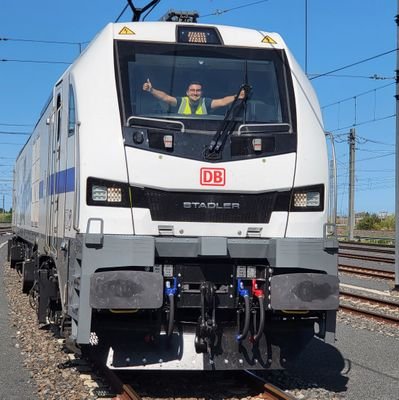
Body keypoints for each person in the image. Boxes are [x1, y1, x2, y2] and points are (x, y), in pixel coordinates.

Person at [142, 79, 245, 115]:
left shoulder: (206, 102)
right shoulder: (180, 101)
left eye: (198, 90)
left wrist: (237, 96)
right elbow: (165, 97)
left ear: (202, 93)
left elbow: (222, 102)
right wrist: (151, 90)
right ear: (187, 92)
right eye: (192, 90)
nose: (195, 93)